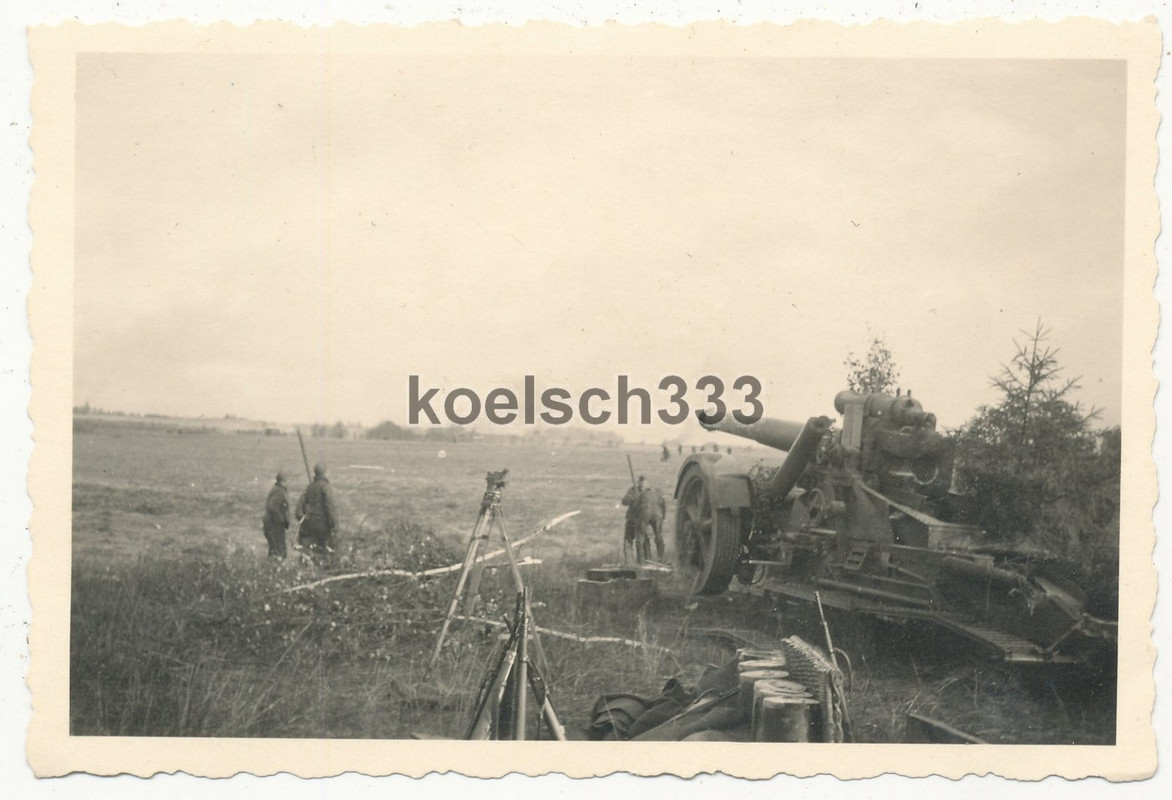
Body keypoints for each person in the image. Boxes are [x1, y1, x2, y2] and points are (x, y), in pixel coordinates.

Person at [297, 462, 339, 554]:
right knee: (326, 548)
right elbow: (330, 507)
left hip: (311, 523)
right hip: (322, 524)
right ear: (325, 473)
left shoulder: (310, 486)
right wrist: (334, 525)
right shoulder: (325, 487)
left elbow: (305, 503)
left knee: (314, 548)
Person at [262, 471, 290, 559]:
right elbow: (272, 506)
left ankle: (272, 568)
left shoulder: (276, 490)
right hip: (275, 526)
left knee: (275, 550)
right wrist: (281, 520)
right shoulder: (279, 492)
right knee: (279, 552)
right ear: (284, 481)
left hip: (272, 525)